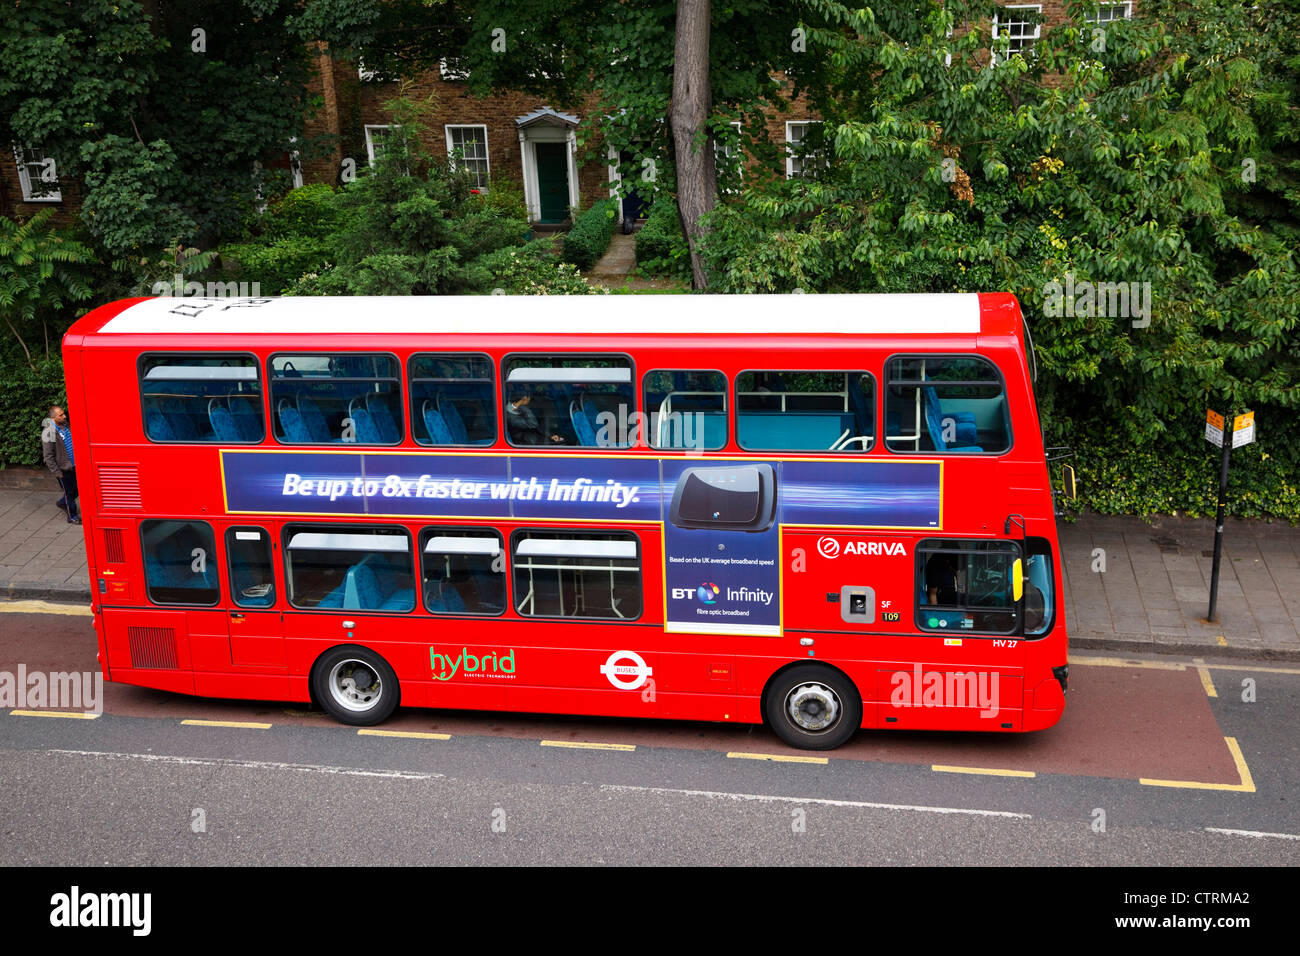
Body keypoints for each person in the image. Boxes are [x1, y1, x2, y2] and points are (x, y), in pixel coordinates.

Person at [42, 405, 80, 524]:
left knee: (77, 490)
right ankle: (72, 516)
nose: (65, 416)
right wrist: (57, 472)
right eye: (61, 415)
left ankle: (62, 502)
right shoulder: (49, 432)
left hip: (74, 465)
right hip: (63, 469)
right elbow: (48, 456)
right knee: (69, 492)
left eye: (63, 413)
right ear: (53, 417)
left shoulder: (65, 425)